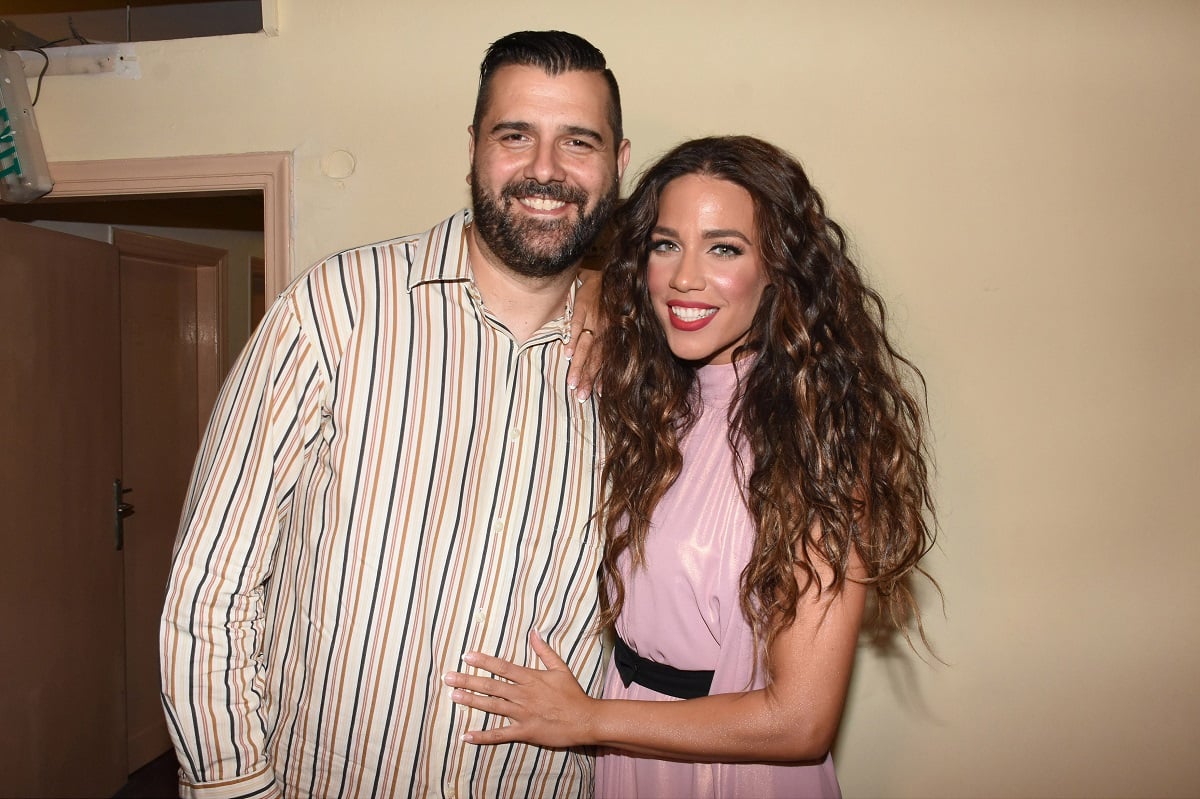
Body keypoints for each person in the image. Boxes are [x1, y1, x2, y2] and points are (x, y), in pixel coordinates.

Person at [159, 30, 630, 798]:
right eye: (515, 135)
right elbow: (213, 584)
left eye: (579, 141)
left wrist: (613, 291)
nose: (546, 169)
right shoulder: (338, 310)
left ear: (619, 162)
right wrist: (231, 784)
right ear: (473, 148)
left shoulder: (646, 366)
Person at [444, 136, 936, 798]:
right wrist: (593, 287)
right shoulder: (659, 402)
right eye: (666, 244)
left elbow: (800, 721)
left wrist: (586, 719)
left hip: (731, 773)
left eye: (724, 248)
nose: (684, 277)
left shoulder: (814, 443)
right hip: (633, 756)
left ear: (779, 269)